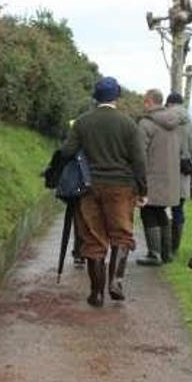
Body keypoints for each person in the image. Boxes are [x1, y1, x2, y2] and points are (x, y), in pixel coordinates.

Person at [60, 77, 147, 307]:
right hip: (121, 187)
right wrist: (142, 189)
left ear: (95, 97)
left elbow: (67, 151)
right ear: (116, 97)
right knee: (122, 234)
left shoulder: (82, 122)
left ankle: (96, 293)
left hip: (89, 187)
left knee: (93, 239)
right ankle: (115, 282)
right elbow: (139, 160)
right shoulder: (128, 124)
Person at [137, 89, 182, 266]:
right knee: (161, 212)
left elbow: (140, 154)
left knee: (148, 212)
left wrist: (138, 179)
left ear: (149, 102)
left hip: (152, 178)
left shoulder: (145, 124)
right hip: (170, 178)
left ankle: (154, 254)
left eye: (144, 101)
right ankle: (167, 253)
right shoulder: (175, 123)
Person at [166, 93, 192, 256]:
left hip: (165, 175)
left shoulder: (166, 124)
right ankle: (174, 248)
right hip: (184, 177)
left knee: (161, 211)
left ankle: (162, 247)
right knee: (178, 211)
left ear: (169, 104)